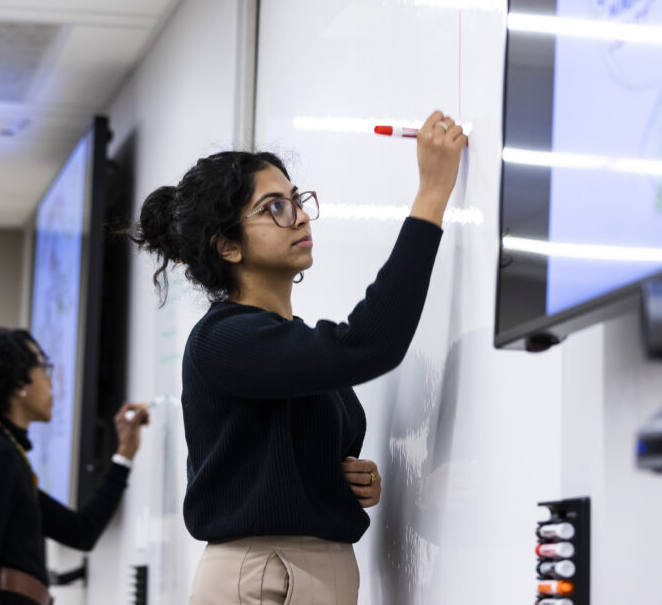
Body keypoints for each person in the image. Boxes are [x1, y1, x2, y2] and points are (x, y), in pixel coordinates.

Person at [131, 110, 466, 603]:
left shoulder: (284, 339)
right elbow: (370, 344)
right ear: (227, 246)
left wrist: (342, 478)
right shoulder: (224, 338)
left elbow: (277, 458)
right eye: (274, 208)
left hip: (304, 569)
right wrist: (431, 194)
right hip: (266, 573)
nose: (300, 215)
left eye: (296, 200)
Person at [0, 327, 149, 605]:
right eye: (44, 368)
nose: (51, 383)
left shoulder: (3, 451)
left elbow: (81, 532)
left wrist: (125, 453)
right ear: (19, 384)